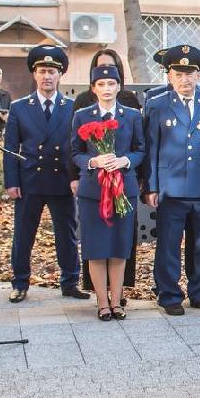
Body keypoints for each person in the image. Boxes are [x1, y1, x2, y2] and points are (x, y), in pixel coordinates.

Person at [144, 45, 200, 316]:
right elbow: (151, 148)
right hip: (170, 187)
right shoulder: (156, 104)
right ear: (169, 76)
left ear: (199, 75)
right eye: (179, 73)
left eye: (191, 73)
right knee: (168, 245)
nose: (185, 79)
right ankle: (169, 294)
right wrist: (151, 186)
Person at [5, 45, 86, 303]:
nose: (46, 76)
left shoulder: (72, 107)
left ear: (60, 75)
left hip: (61, 179)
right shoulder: (19, 108)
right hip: (30, 180)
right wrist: (11, 182)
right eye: (42, 71)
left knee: (67, 233)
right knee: (23, 234)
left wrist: (77, 178)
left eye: (51, 71)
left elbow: (77, 146)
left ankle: (70, 280)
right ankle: (20, 282)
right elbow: (10, 148)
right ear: (34, 74)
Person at [72, 65, 144, 321]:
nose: (106, 89)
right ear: (93, 88)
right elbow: (75, 153)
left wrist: (125, 161)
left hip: (124, 189)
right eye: (101, 85)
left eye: (111, 84)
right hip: (93, 191)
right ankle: (102, 303)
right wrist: (94, 162)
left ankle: (117, 301)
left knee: (119, 246)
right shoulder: (82, 115)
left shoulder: (133, 116)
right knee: (96, 247)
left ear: (119, 87)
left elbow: (140, 150)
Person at [73, 49, 142, 112]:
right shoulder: (82, 100)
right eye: (102, 67)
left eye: (111, 67)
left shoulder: (130, 99)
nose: (106, 71)